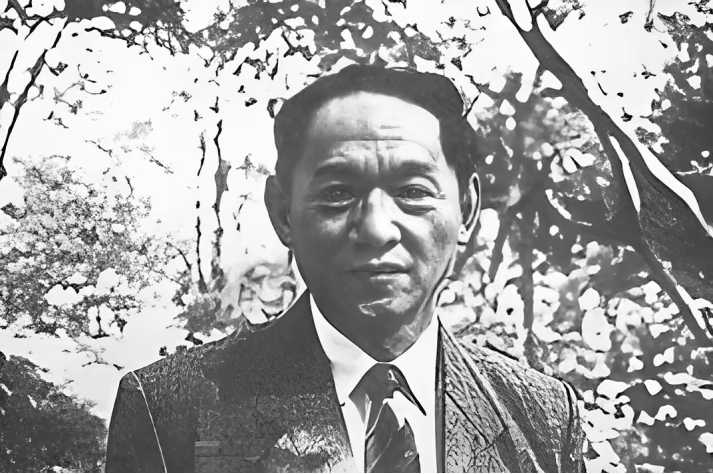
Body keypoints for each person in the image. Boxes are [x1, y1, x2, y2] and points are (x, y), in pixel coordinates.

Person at [105, 65, 585, 473]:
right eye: (337, 193)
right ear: (283, 213)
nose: (376, 229)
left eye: (413, 191)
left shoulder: (542, 418)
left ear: (467, 207)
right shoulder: (171, 411)